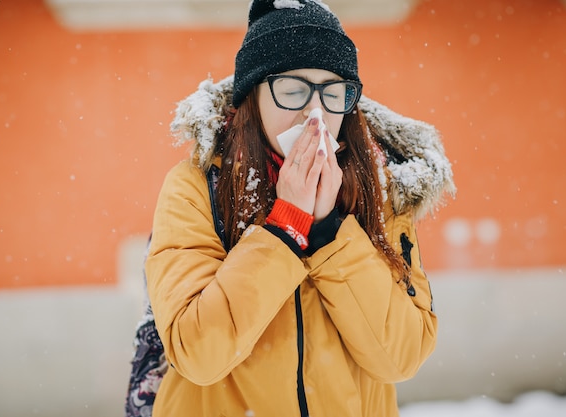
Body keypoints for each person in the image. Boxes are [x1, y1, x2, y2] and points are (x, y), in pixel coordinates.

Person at [139, 1, 455, 416]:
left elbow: (402, 356)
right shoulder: (197, 188)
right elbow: (198, 353)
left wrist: (329, 228)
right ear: (252, 96)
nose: (315, 112)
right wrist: (286, 225)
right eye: (292, 90)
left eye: (333, 92)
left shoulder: (381, 192)